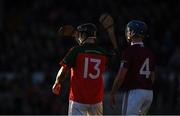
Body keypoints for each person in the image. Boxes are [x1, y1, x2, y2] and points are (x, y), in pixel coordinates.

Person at [52, 23, 113, 115]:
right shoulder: (104, 53)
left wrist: (57, 82)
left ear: (84, 35)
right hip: (96, 99)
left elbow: (64, 69)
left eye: (80, 34)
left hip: (78, 98)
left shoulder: (76, 50)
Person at [109, 20, 156, 115]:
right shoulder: (150, 52)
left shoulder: (129, 51)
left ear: (132, 32)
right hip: (149, 93)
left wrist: (113, 92)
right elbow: (153, 76)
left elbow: (121, 76)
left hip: (134, 92)